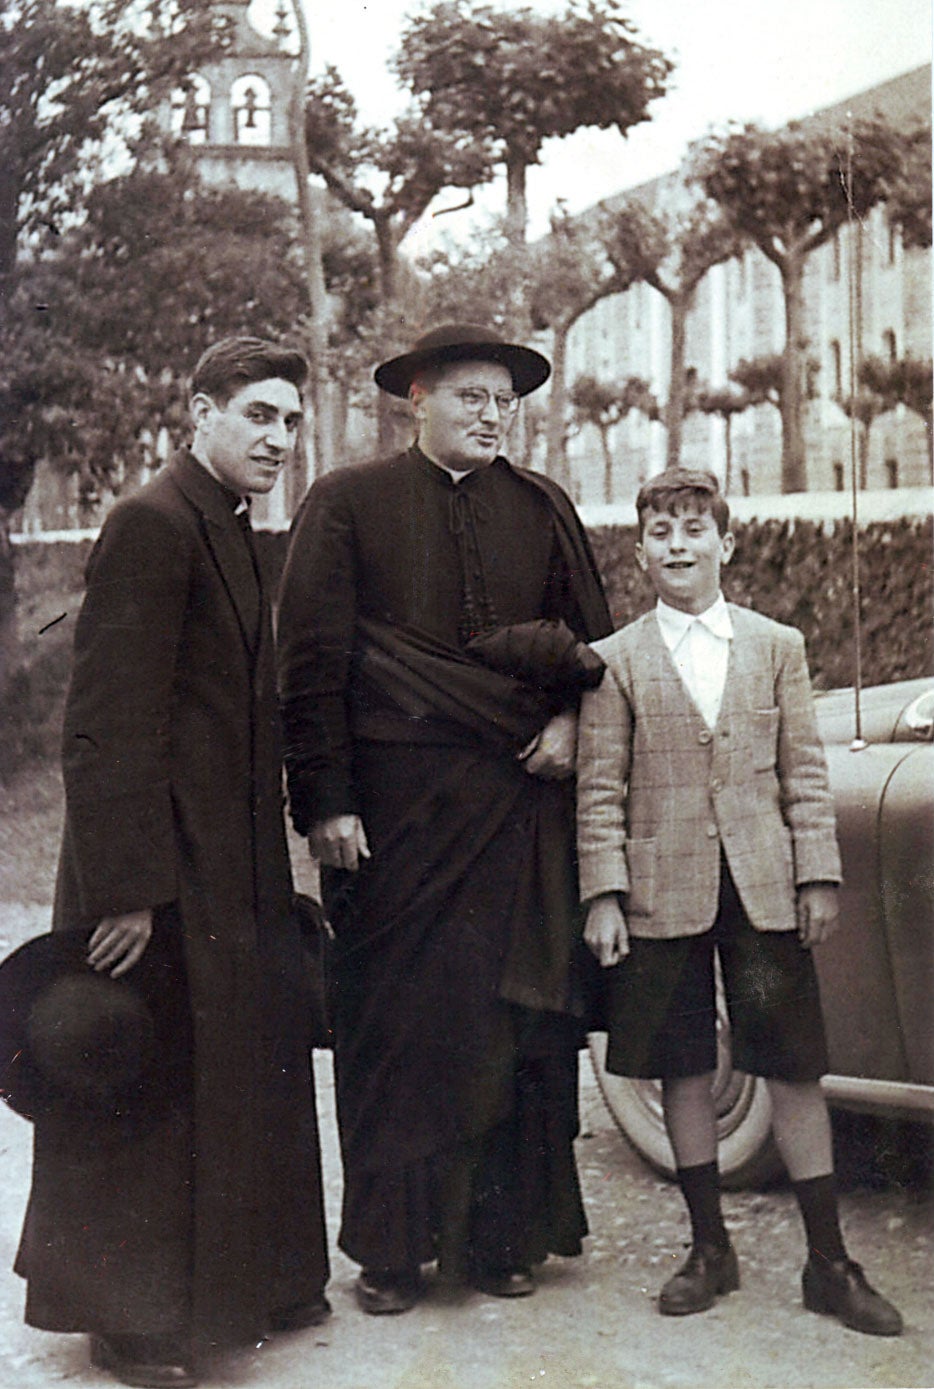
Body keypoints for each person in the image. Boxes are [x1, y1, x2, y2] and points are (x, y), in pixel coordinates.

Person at [277, 323, 612, 1314]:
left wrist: (568, 727)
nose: (489, 414)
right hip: (389, 819)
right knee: (393, 1028)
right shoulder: (344, 503)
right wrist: (325, 801)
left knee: (512, 1025)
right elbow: (307, 667)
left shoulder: (542, 507)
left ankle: (500, 1242)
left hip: (513, 809)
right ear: (415, 398)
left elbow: (597, 653)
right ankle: (390, 1253)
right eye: (468, 396)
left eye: (502, 399)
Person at [14, 338, 331, 1388]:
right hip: (155, 873)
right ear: (199, 413)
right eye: (256, 416)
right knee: (140, 1084)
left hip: (227, 866)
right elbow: (104, 724)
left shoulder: (233, 526)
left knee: (228, 1079)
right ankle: (129, 1318)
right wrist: (128, 893)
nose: (277, 440)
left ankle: (241, 1289)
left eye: (289, 421)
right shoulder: (152, 523)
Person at [575, 467, 903, 1336]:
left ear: (727, 543)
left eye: (694, 529)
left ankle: (829, 1261)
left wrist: (817, 874)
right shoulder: (615, 662)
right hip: (660, 891)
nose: (677, 544)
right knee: (683, 1061)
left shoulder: (774, 645)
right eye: (660, 532)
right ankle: (708, 1245)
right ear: (641, 550)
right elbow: (599, 788)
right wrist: (604, 894)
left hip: (762, 887)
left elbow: (803, 770)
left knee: (791, 1062)